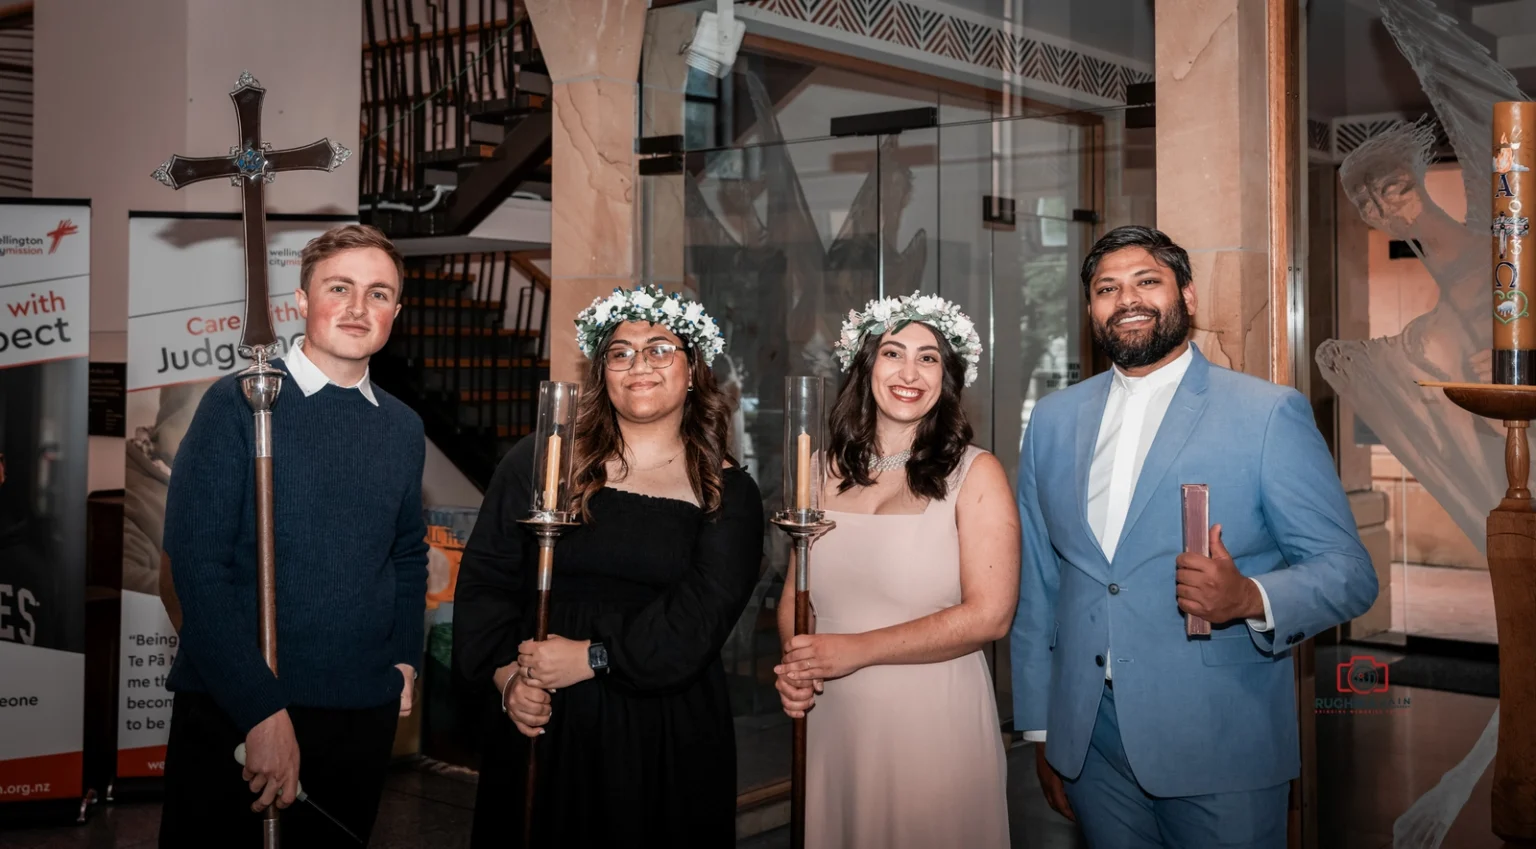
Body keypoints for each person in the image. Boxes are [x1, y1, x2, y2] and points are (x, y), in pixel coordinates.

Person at [1010, 225, 1379, 847]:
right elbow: (1041, 582)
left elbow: (1349, 571)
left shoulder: (1266, 413)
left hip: (1219, 736)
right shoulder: (1051, 420)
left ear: (1188, 295)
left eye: (1146, 281)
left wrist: (1250, 599)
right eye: (1107, 288)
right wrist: (1043, 730)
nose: (1127, 299)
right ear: (1092, 308)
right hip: (1090, 744)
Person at [453, 284, 764, 847]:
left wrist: (593, 657)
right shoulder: (542, 462)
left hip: (663, 728)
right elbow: (486, 582)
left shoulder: (726, 490)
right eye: (620, 352)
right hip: (545, 712)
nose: (638, 365)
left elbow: (701, 617)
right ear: (603, 372)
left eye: (659, 349)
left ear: (692, 368)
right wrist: (507, 682)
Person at [159, 224, 427, 848]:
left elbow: (407, 554)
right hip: (238, 705)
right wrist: (260, 710)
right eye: (340, 287)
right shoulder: (237, 406)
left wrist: (406, 659)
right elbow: (197, 570)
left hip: (359, 710)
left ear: (396, 311)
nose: (360, 308)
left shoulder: (403, 427)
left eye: (380, 293)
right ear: (302, 301)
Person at [774, 292, 1018, 848]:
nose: (910, 372)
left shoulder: (976, 474)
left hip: (933, 724)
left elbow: (991, 616)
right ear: (867, 365)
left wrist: (855, 650)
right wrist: (797, 664)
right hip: (834, 721)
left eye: (928, 357)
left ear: (947, 377)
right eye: (893, 353)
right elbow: (796, 594)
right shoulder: (822, 468)